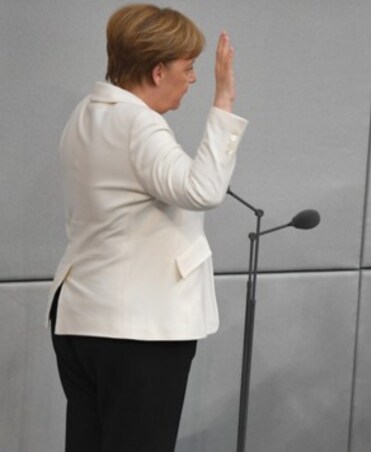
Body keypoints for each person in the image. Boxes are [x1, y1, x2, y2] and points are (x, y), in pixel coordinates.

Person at [45, 4, 248, 451]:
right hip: (138, 330)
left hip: (81, 318)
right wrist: (225, 103)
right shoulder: (140, 125)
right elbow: (203, 190)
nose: (193, 78)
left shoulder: (87, 112)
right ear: (158, 71)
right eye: (188, 68)